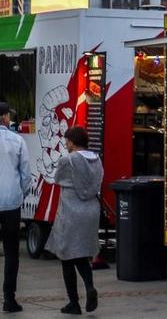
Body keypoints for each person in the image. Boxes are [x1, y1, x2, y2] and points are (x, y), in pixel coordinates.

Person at [46, 126, 103, 315]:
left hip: (71, 211)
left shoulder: (67, 161)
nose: (65, 144)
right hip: (91, 210)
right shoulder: (97, 160)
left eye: (66, 141)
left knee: (66, 256)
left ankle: (74, 302)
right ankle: (89, 286)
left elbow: (57, 179)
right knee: (81, 253)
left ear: (71, 142)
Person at [0, 103, 31, 313]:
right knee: (12, 252)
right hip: (10, 202)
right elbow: (26, 174)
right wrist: (22, 193)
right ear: (4, 118)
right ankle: (9, 299)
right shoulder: (17, 140)